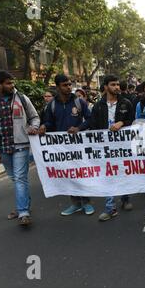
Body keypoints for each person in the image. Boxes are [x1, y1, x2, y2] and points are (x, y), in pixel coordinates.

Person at [0, 70, 40, 226]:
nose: (12, 85)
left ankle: (23, 212)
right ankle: (24, 203)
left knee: (20, 178)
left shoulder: (21, 98)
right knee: (16, 179)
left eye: (12, 82)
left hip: (21, 145)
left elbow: (35, 117)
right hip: (2, 148)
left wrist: (34, 127)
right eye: (8, 83)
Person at [39, 74, 94, 217]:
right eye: (65, 85)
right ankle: (75, 203)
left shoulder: (79, 102)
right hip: (60, 148)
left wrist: (78, 128)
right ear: (57, 87)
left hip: (77, 145)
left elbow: (89, 120)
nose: (69, 87)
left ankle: (86, 202)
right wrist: (44, 126)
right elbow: (50, 123)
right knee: (68, 175)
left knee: (81, 173)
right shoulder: (51, 105)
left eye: (70, 84)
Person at [85, 74, 134, 221]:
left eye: (118, 84)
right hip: (105, 147)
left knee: (123, 172)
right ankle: (110, 207)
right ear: (106, 87)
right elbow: (93, 126)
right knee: (108, 175)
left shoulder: (126, 103)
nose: (117, 87)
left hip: (122, 146)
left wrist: (122, 123)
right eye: (113, 84)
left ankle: (125, 198)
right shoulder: (98, 106)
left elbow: (132, 120)